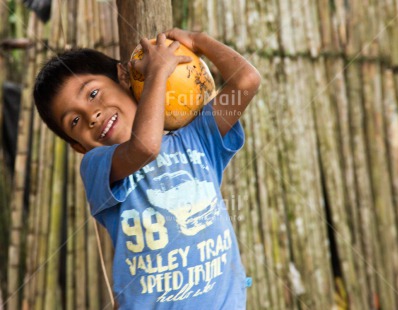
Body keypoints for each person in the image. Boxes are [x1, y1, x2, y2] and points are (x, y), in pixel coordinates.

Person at [33, 28, 261, 309]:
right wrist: (157, 75)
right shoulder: (98, 167)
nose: (91, 115)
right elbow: (146, 147)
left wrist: (198, 41)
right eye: (74, 122)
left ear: (123, 77)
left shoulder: (199, 137)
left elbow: (246, 81)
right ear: (78, 146)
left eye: (93, 93)